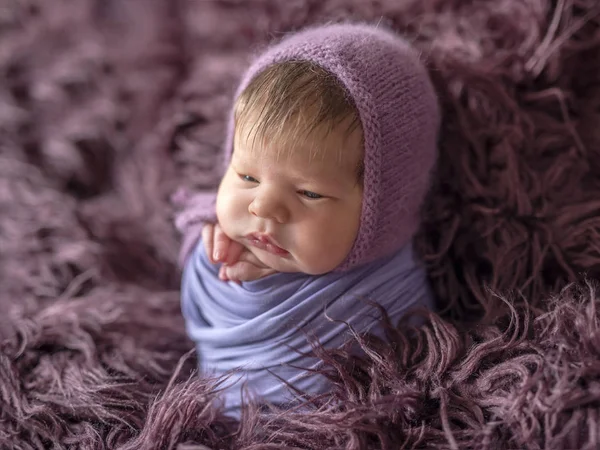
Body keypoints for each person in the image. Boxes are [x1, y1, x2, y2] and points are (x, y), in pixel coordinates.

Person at [175, 22, 440, 416]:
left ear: (382, 211)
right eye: (247, 176)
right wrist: (203, 250)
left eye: (309, 193)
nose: (262, 207)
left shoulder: (390, 298)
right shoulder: (216, 252)